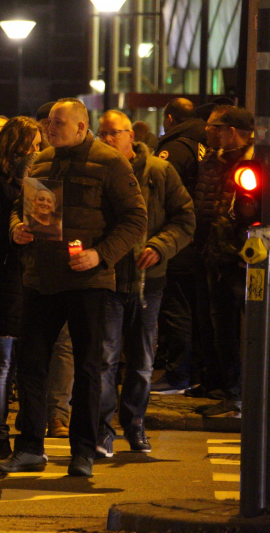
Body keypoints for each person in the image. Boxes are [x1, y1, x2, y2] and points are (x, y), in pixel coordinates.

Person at [0, 98, 146, 477]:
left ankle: (83, 451)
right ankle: (30, 447)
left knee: (88, 367)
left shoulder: (110, 162)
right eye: (49, 122)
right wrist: (17, 229)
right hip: (40, 279)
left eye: (59, 123)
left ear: (81, 126)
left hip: (87, 281)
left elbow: (135, 217)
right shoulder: (41, 161)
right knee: (31, 364)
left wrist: (100, 255)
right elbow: (19, 207)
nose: (50, 129)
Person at [95, 110, 194, 457]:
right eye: (102, 134)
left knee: (141, 360)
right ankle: (103, 430)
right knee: (105, 359)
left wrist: (160, 246)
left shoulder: (158, 171)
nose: (107, 140)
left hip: (148, 281)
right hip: (107, 279)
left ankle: (134, 424)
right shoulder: (97, 171)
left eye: (113, 133)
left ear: (131, 136)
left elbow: (185, 218)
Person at [0, 117, 42, 459]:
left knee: (15, 362)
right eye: (32, 145)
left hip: (25, 276)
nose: (37, 151)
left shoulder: (32, 180)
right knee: (0, 362)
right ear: (15, 147)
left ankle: (4, 428)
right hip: (1, 277)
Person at [191, 107, 255, 418]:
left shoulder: (253, 163)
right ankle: (232, 395)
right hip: (215, 256)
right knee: (223, 330)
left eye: (216, 127)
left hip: (244, 260)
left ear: (231, 131)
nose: (210, 132)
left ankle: (245, 396)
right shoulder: (213, 160)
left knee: (251, 328)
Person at [151, 98, 208, 395]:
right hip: (199, 239)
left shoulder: (173, 149)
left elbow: (161, 195)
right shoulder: (203, 143)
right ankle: (195, 371)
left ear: (170, 119)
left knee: (176, 309)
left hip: (178, 239)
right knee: (194, 308)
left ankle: (178, 373)